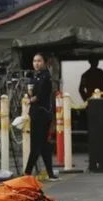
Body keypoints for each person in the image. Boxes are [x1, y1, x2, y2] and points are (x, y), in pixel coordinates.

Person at [24, 53, 60, 181]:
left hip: (41, 114)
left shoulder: (45, 77)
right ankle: (50, 173)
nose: (36, 63)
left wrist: (31, 99)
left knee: (36, 146)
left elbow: (41, 94)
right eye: (34, 61)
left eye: (39, 61)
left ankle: (27, 173)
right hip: (36, 113)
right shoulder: (34, 76)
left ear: (44, 62)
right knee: (44, 146)